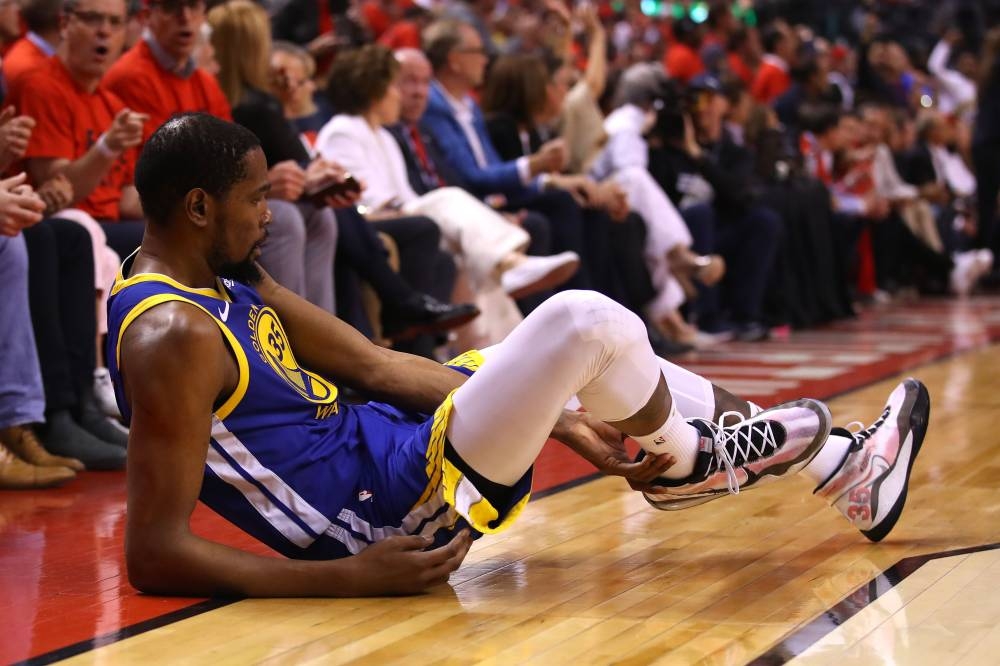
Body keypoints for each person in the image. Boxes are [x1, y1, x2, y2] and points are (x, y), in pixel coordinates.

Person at [113, 113, 929, 596]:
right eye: (257, 199)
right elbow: (153, 553)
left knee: (600, 354)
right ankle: (688, 464)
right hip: (385, 513)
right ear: (196, 207)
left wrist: (563, 423)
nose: (269, 214)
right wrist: (349, 578)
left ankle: (843, 468)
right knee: (582, 319)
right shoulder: (170, 335)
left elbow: (375, 365)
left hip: (395, 441)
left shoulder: (223, 270)